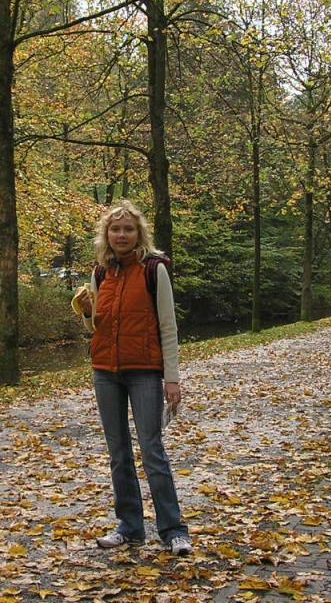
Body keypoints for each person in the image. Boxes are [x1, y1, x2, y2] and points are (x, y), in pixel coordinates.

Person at [72, 200, 192, 556]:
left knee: (152, 450)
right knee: (118, 453)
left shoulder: (154, 269)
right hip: (105, 372)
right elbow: (95, 328)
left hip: (144, 371)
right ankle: (130, 527)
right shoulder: (100, 272)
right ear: (106, 235)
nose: (121, 235)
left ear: (139, 233)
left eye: (128, 229)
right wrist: (88, 313)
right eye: (115, 229)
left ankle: (173, 530)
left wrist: (172, 378)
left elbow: (168, 326)